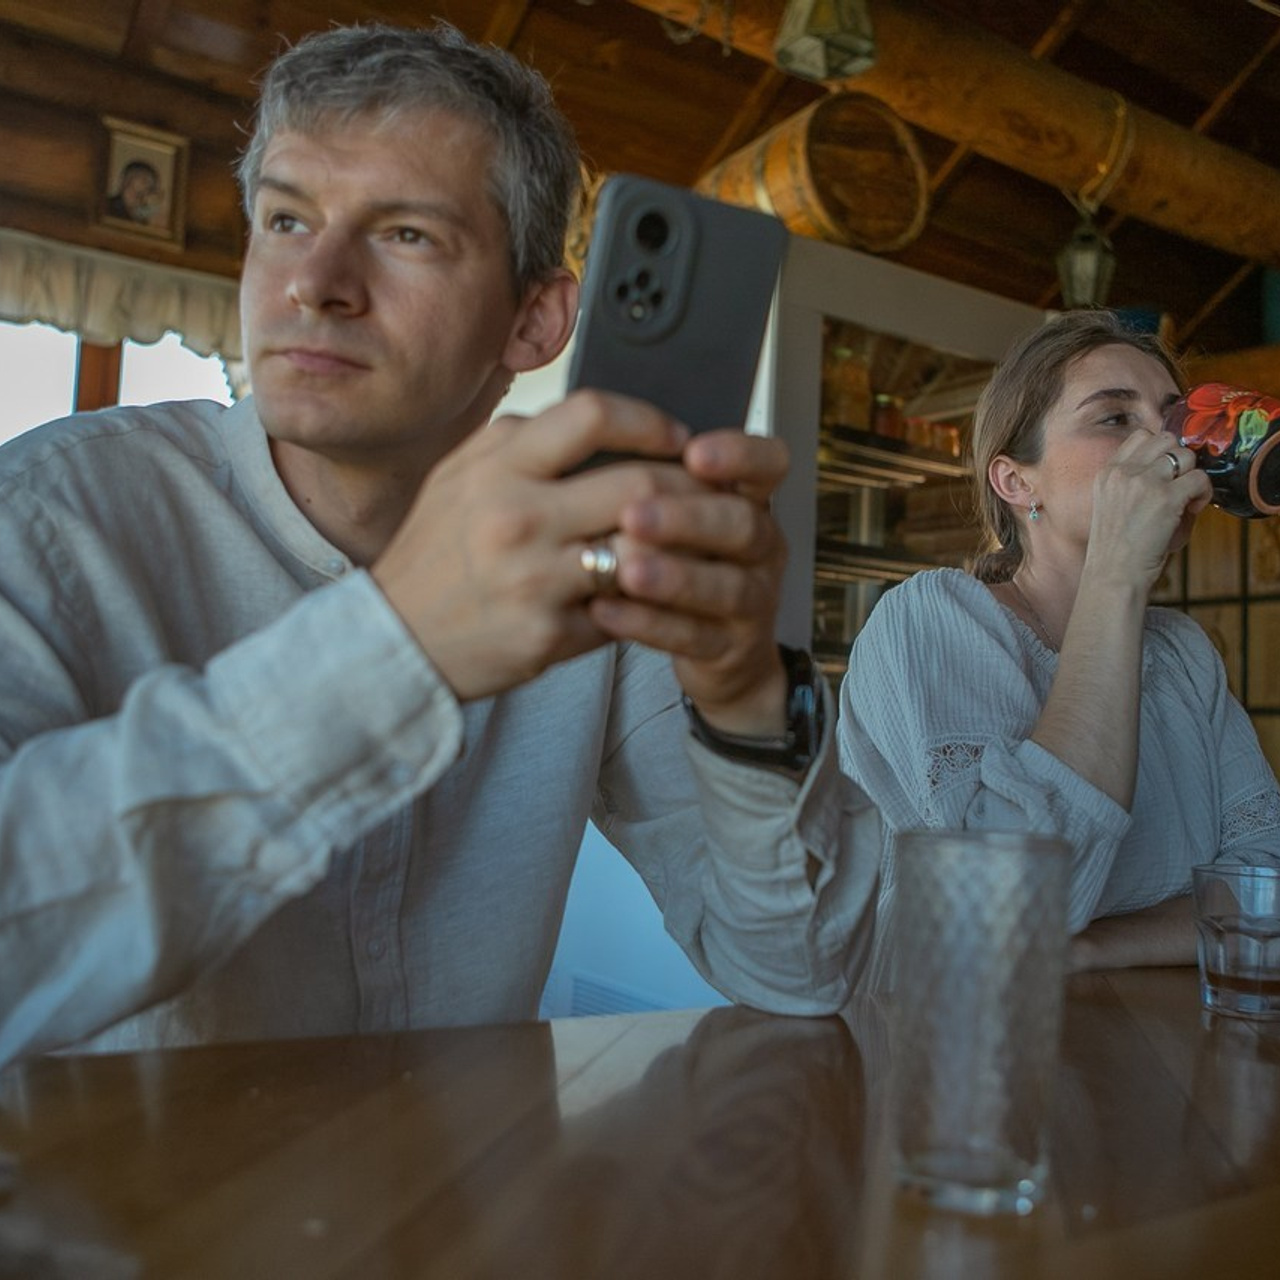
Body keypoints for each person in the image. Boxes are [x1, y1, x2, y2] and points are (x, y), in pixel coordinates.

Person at [0, 23, 880, 1064]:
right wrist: (399, 645)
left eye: (406, 233)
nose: (313, 281)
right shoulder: (49, 517)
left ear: (533, 322)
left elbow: (805, 969)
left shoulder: (597, 557)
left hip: (480, 1171)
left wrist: (743, 696)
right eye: (285, 218)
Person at [837, 310, 1280, 986]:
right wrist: (1117, 573)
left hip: (1159, 1042)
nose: (1168, 450)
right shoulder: (932, 618)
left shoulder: (1183, 655)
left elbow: (1267, 891)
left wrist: (1093, 947)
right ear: (1016, 482)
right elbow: (1005, 901)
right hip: (959, 1038)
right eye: (1114, 418)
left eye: (1171, 419)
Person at [107, 159, 162, 224]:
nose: (147, 187)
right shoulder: (107, 207)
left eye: (151, 185)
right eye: (144, 180)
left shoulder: (140, 219)